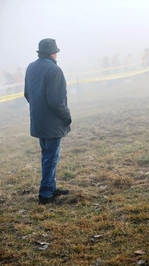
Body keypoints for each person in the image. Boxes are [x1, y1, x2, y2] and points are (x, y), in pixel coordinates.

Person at [24, 38, 71, 205]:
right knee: (51, 158)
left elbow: (27, 94)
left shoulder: (31, 67)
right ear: (53, 53)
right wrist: (67, 116)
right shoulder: (54, 70)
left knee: (47, 155)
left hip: (38, 120)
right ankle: (45, 194)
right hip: (52, 122)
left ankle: (51, 187)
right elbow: (56, 101)